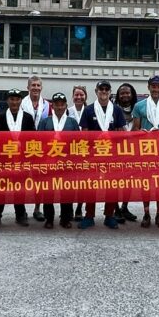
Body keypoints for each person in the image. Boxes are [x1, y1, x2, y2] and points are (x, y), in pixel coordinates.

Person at [78, 80, 127, 229]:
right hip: (93, 154)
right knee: (91, 185)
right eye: (101, 89)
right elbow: (84, 134)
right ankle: (89, 215)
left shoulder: (117, 110)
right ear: (96, 91)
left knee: (111, 185)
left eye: (106, 89)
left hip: (111, 154)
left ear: (110, 92)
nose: (104, 91)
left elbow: (122, 132)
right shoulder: (89, 110)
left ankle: (109, 215)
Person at [132, 74, 159, 229]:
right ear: (148, 87)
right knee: (146, 183)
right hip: (145, 150)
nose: (156, 89)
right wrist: (141, 132)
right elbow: (135, 128)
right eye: (153, 86)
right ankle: (146, 213)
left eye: (158, 86)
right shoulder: (139, 106)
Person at [0, 88, 35, 228]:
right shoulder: (1, 117)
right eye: (12, 99)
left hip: (21, 160)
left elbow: (33, 139)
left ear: (20, 101)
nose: (14, 102)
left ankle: (20, 214)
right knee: (0, 189)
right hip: (4, 160)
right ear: (7, 101)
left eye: (17, 99)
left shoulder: (27, 117)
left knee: (19, 189)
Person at [38, 92, 80, 229]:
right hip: (49, 162)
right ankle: (49, 218)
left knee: (67, 191)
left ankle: (65, 218)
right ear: (53, 106)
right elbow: (39, 142)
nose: (60, 107)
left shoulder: (72, 122)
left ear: (66, 105)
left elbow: (78, 143)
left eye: (62, 104)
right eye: (57, 104)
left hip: (67, 163)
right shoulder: (45, 122)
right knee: (48, 192)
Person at [21, 75, 51, 222]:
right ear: (28, 87)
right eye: (33, 85)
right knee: (22, 179)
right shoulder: (21, 104)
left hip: (42, 149)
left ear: (41, 88)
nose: (36, 88)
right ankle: (22, 211)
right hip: (23, 148)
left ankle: (37, 208)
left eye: (38, 86)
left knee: (40, 180)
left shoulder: (47, 105)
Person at [114, 83, 139, 223]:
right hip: (117, 152)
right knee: (116, 181)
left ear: (132, 94)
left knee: (129, 181)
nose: (125, 95)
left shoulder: (138, 109)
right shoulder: (114, 109)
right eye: (122, 93)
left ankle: (125, 207)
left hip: (133, 152)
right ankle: (116, 208)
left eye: (127, 93)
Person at [68, 85, 88, 221]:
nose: (79, 97)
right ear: (73, 96)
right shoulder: (67, 111)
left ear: (85, 96)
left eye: (81, 95)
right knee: (69, 181)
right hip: (70, 151)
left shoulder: (91, 111)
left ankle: (80, 207)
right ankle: (68, 209)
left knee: (83, 182)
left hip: (86, 151)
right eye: (76, 95)